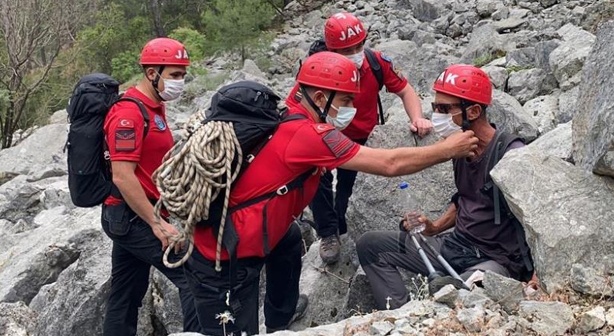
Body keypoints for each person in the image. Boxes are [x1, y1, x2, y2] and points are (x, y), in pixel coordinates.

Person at [185, 52, 479, 336]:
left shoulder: (291, 111)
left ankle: (279, 320)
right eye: (346, 100)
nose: (351, 106)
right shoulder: (309, 135)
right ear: (321, 98)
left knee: (288, 240)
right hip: (223, 259)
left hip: (254, 236)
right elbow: (389, 164)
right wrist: (446, 150)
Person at [356, 64, 536, 310]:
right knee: (371, 245)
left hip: (496, 260)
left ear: (472, 111)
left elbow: (538, 218)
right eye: (434, 107)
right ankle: (401, 317)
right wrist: (434, 227)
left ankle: (425, 315)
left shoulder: (511, 154)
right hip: (455, 246)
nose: (436, 116)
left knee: (456, 297)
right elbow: (465, 198)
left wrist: (537, 275)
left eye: (444, 109)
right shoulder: (459, 147)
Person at [285, 12, 434, 264]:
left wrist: (417, 117)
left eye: (359, 46)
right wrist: (310, 147)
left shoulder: (375, 63)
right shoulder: (319, 70)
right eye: (347, 50)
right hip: (324, 137)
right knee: (317, 183)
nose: (355, 53)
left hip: (360, 139)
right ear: (331, 50)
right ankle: (328, 233)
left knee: (347, 192)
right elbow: (294, 110)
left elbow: (405, 90)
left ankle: (343, 224)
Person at [101, 37, 200, 335]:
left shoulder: (154, 107)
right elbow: (122, 175)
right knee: (195, 279)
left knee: (126, 292)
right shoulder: (129, 115)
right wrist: (157, 223)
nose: (180, 82)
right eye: (174, 75)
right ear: (151, 73)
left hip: (132, 214)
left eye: (183, 75)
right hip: (133, 217)